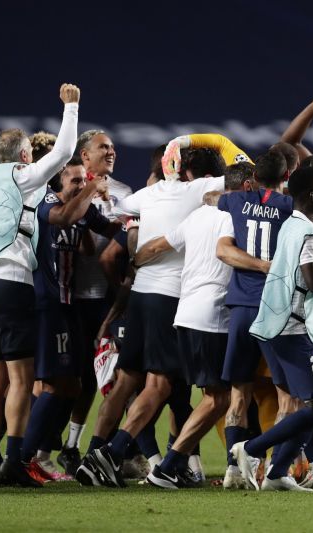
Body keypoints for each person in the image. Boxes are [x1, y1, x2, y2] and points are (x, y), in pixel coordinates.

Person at [76, 145, 226, 487]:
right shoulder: (195, 189)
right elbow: (242, 173)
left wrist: (100, 189)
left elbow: (116, 206)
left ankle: (94, 453)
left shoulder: (146, 193)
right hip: (169, 298)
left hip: (140, 295)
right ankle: (110, 454)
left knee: (127, 379)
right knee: (161, 385)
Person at [216, 152, 313, 489]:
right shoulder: (305, 232)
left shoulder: (291, 224)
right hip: (293, 328)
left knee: (302, 404)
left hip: (271, 322)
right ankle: (250, 449)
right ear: (311, 195)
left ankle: (277, 473)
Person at [0, 83, 81, 486]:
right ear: (24, 156)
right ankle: (15, 460)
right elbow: (65, 152)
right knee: (21, 379)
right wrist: (71, 108)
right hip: (11, 282)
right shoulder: (24, 177)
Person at [137, 174, 266, 489]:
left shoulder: (198, 215)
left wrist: (135, 267)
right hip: (215, 315)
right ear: (248, 186)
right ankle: (169, 466)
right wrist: (265, 266)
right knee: (219, 398)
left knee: (226, 395)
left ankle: (233, 467)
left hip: (187, 315)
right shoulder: (233, 217)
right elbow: (226, 253)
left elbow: (155, 246)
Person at [23, 158, 120, 483]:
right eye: (74, 181)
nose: (81, 186)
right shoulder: (46, 204)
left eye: (84, 180)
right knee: (52, 384)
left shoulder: (82, 211)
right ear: (57, 183)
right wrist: (94, 186)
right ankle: (21, 457)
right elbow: (64, 217)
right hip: (45, 304)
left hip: (67, 306)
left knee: (74, 384)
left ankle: (37, 454)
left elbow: (109, 231)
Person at [60, 129, 133, 475]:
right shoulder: (71, 189)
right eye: (103, 147)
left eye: (113, 147)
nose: (111, 151)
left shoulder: (124, 193)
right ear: (84, 156)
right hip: (74, 296)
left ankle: (108, 449)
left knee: (115, 376)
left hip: (109, 297)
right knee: (75, 379)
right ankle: (60, 446)